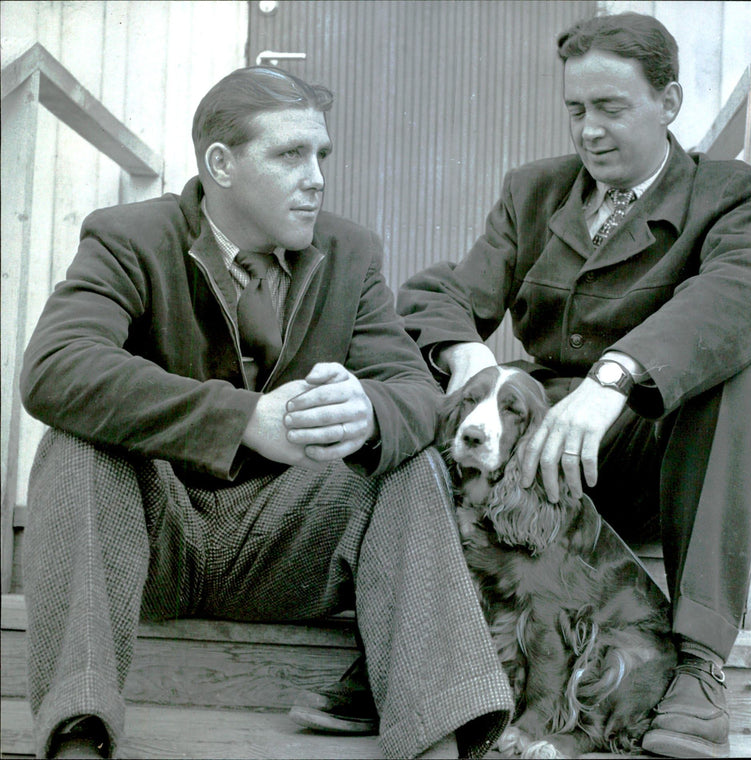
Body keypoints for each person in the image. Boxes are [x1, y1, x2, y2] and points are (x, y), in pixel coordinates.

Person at [20, 65, 513, 760]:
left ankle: (437, 739)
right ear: (220, 164)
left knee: (406, 460)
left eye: (321, 156)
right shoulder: (131, 236)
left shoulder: (350, 252)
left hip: (290, 547)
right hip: (155, 541)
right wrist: (244, 417)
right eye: (290, 155)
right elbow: (54, 367)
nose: (316, 176)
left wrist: (369, 411)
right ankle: (77, 736)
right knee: (75, 447)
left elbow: (414, 390)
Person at [396, 12, 751, 759]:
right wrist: (468, 360)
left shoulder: (730, 193)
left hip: (646, 452)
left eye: (612, 108)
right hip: (532, 465)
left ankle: (699, 666)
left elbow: (750, 293)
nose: (589, 131)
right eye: (576, 110)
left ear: (669, 102)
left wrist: (615, 378)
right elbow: (440, 296)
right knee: (417, 383)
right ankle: (397, 647)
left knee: (745, 373)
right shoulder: (534, 191)